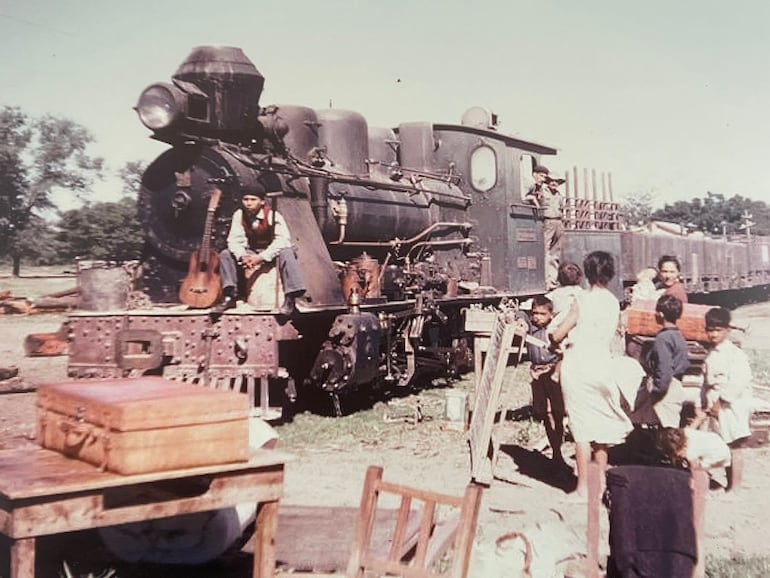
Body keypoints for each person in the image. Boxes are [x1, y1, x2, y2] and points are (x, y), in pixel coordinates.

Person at [551, 251, 638, 499]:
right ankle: (600, 484)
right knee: (600, 426)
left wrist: (553, 339)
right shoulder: (613, 302)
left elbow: (559, 333)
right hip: (602, 363)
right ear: (610, 273)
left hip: (578, 364)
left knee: (581, 429)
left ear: (586, 273)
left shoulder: (581, 300)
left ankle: (581, 488)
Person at [214, 189, 306, 315]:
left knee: (287, 252)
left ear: (262, 202)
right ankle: (230, 295)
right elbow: (234, 239)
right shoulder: (239, 215)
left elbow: (282, 240)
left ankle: (291, 298)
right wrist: (242, 256)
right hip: (252, 250)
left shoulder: (273, 215)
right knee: (226, 254)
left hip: (272, 250)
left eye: (253, 200)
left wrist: (262, 257)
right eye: (245, 200)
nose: (249, 203)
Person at [696, 307, 753, 492]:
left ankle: (734, 486)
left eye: (718, 330)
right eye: (710, 330)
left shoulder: (735, 355)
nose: (713, 334)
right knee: (715, 442)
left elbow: (738, 382)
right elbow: (704, 381)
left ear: (727, 330)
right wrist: (701, 403)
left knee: (734, 445)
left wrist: (720, 402)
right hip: (713, 403)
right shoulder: (711, 354)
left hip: (731, 406)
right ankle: (704, 480)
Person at [516, 295, 567, 470]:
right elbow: (520, 313)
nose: (537, 317)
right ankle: (555, 451)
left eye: (542, 314)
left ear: (551, 314)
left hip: (553, 372)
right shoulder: (530, 326)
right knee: (546, 413)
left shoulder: (554, 329)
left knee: (558, 413)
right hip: (537, 374)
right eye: (535, 313)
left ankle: (557, 451)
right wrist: (522, 320)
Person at [631, 294, 690, 428]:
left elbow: (664, 368)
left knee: (668, 431)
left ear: (661, 314)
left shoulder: (663, 338)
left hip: (666, 388)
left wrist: (657, 390)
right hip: (676, 384)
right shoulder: (678, 335)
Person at [524, 166, 564, 289]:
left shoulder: (559, 195)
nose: (554, 183)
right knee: (545, 251)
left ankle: (552, 280)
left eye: (556, 181)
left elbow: (561, 208)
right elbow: (528, 198)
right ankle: (546, 280)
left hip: (559, 222)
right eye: (552, 180)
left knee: (555, 253)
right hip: (547, 222)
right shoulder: (542, 191)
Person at [656, 426, 731, 471]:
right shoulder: (686, 431)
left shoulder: (690, 453)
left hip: (719, 456)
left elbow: (695, 469)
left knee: (698, 469)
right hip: (717, 440)